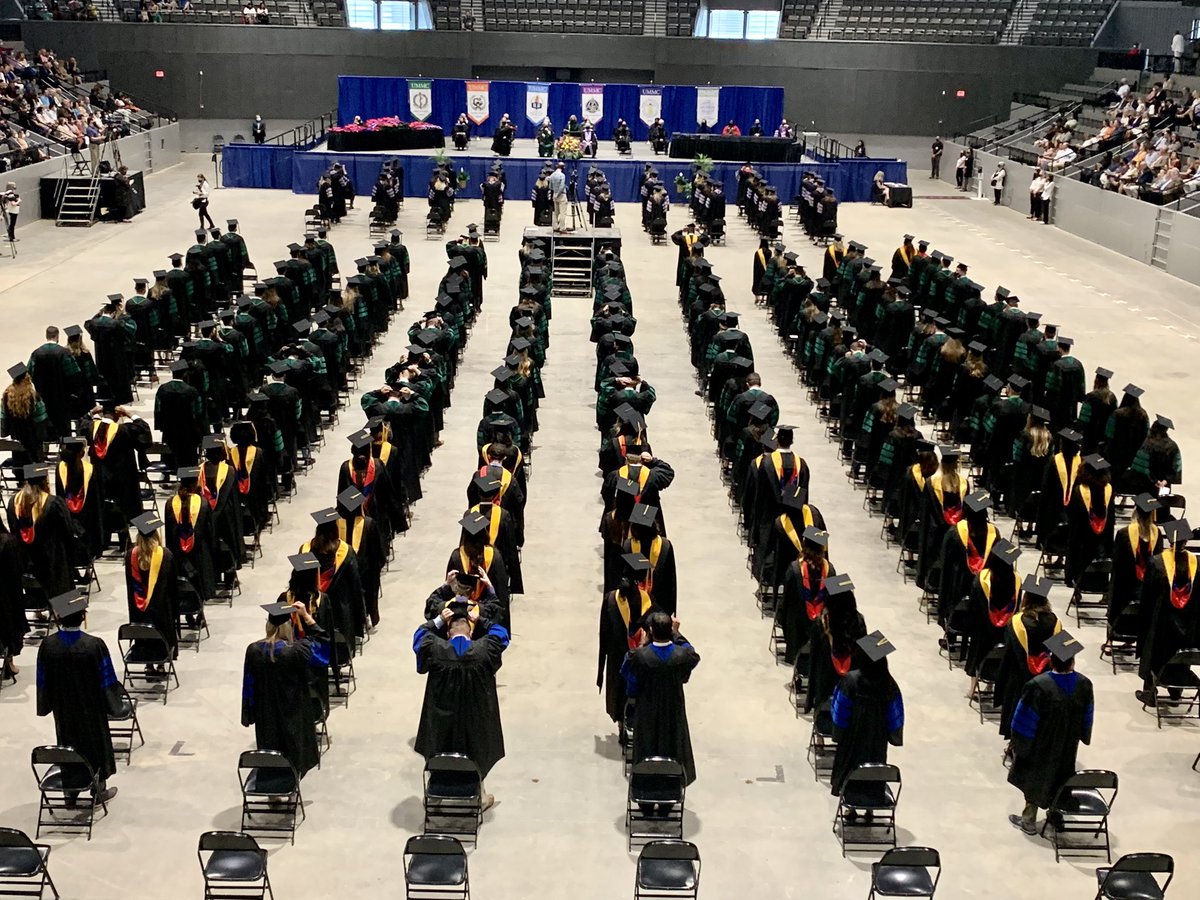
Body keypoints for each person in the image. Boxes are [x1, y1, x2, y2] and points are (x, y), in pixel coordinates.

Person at [413, 600, 509, 806]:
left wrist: (438, 620)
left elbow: (419, 635)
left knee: (438, 743)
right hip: (475, 716)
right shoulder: (484, 650)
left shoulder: (435, 649)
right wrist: (480, 619)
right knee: (477, 745)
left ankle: (433, 794)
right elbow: (502, 634)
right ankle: (481, 796)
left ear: (448, 634)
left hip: (441, 717)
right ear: (471, 633)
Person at [36, 590, 122, 804]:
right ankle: (98, 790)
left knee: (68, 742)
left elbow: (42, 681)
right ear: (83, 616)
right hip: (91, 711)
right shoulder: (94, 645)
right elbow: (107, 681)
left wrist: (46, 704)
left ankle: (70, 792)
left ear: (59, 617)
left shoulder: (48, 646)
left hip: (64, 711)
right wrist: (113, 705)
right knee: (95, 745)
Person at [1007, 631, 1094, 835]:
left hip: (1040, 745)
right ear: (1072, 661)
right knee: (1062, 776)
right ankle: (1056, 816)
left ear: (1051, 661)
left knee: (1034, 778)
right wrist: (1082, 734)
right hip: (1068, 744)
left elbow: (1023, 720)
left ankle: (1029, 820)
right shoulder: (1084, 684)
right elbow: (1087, 716)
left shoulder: (1037, 686)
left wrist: (1019, 745)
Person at [241, 601, 325, 779]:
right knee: (294, 753)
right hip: (294, 715)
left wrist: (250, 713)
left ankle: (273, 792)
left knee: (272, 754)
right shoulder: (296, 651)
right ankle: (291, 792)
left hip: (267, 716)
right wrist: (306, 616)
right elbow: (323, 649)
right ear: (288, 626)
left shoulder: (254, 650)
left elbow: (249, 685)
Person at [622, 610, 700, 785]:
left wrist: (642, 645)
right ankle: (671, 786)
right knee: (672, 748)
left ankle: (645, 789)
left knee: (646, 749)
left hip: (646, 712)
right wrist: (677, 633)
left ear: (650, 630)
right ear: (670, 631)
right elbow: (693, 654)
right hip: (673, 712)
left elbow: (630, 684)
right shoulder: (682, 656)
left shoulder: (638, 657)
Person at [830, 630, 904, 795]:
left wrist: (838, 734)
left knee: (851, 767)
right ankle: (871, 804)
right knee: (874, 767)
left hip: (853, 737)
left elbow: (839, 712)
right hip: (877, 738)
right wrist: (893, 734)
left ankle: (850, 806)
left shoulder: (851, 680)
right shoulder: (889, 683)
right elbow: (896, 715)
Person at [1136, 518, 1200, 706]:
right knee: (1180, 656)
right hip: (1187, 625)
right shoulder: (1197, 564)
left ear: (1170, 541)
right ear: (1186, 541)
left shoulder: (1157, 563)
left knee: (1155, 653)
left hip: (1160, 624)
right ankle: (1175, 692)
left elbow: (1147, 597)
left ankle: (1150, 692)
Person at [1, 363, 48, 464]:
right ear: (27, 377)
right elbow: (41, 419)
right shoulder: (34, 396)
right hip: (33, 440)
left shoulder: (6, 395)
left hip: (16, 440)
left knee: (20, 463)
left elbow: (3, 418)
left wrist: (4, 433)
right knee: (35, 465)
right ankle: (34, 479)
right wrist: (43, 436)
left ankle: (22, 478)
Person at [549, 161, 569, 234]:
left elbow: (550, 186)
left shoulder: (552, 175)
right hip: (561, 195)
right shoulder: (562, 175)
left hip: (554, 195)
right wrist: (558, 193)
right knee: (563, 212)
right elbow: (561, 186)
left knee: (556, 212)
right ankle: (562, 228)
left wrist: (555, 193)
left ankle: (555, 227)